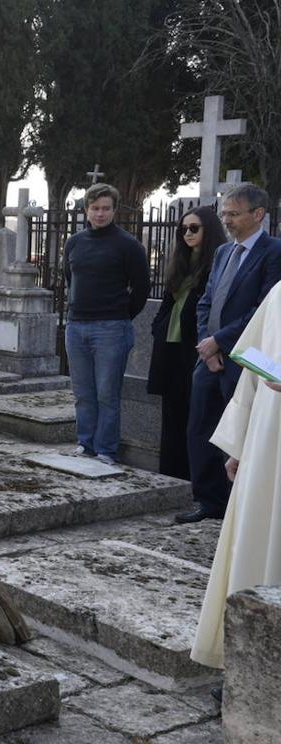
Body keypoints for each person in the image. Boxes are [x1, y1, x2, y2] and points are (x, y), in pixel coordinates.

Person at [190, 280, 281, 676]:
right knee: (258, 546)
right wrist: (239, 442)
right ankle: (252, 667)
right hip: (265, 447)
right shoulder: (279, 294)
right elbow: (253, 367)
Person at [177, 183, 281, 524]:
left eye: (234, 214)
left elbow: (263, 308)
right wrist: (208, 346)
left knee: (241, 433)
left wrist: (220, 340)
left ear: (258, 215)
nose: (227, 220)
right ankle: (209, 501)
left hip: (248, 359)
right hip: (210, 357)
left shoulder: (273, 252)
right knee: (201, 427)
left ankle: (242, 506)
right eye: (224, 214)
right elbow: (206, 301)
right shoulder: (223, 252)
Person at [63, 183, 150, 465]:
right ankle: (85, 443)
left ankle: (105, 450)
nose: (100, 214)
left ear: (114, 210)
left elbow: (141, 289)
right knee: (82, 393)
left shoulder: (128, 245)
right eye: (95, 208)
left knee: (106, 393)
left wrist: (120, 316)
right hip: (76, 327)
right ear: (87, 209)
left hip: (111, 328)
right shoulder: (74, 243)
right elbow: (69, 279)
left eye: (106, 208)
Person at [146, 206, 226, 480]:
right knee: (172, 413)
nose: (187, 234)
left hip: (196, 343)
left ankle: (196, 479)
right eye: (183, 229)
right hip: (170, 345)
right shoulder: (180, 261)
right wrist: (158, 327)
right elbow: (168, 300)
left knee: (198, 414)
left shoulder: (217, 261)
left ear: (209, 230)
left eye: (194, 228)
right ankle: (170, 474)